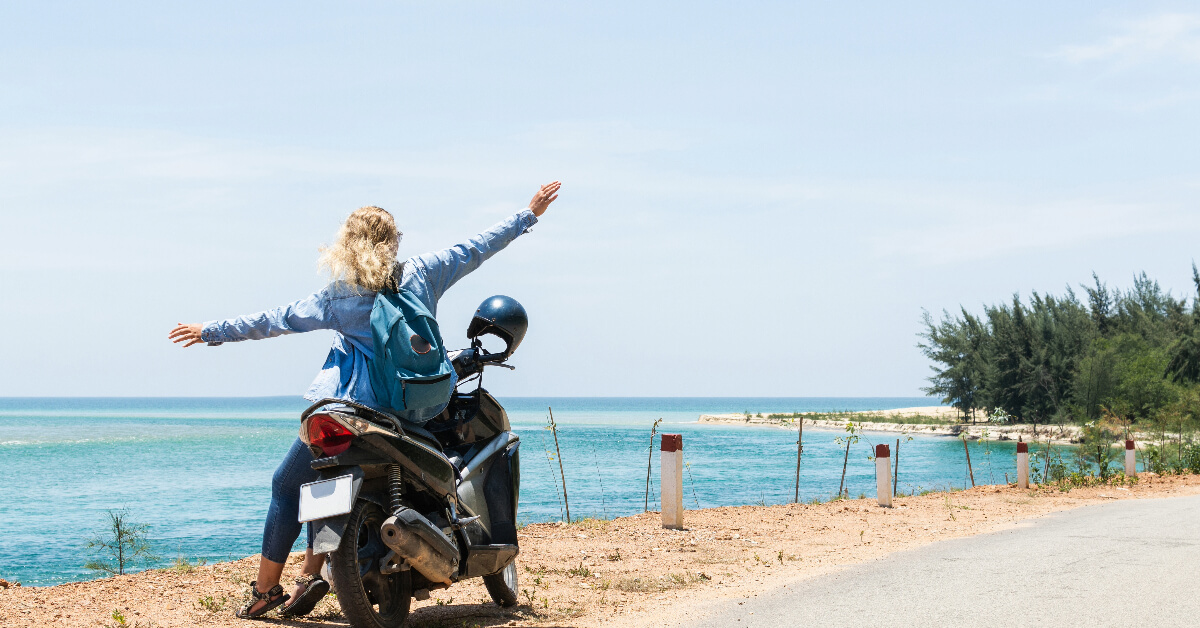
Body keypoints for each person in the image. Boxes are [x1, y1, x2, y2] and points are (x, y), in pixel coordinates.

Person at [168, 182, 560, 619]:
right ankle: (311, 573)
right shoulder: (424, 273)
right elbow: (477, 247)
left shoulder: (340, 297)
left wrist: (211, 331)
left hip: (351, 410)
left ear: (347, 245)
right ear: (393, 242)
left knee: (289, 486)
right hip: (414, 411)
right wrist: (528, 215)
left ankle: (266, 590)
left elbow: (273, 320)